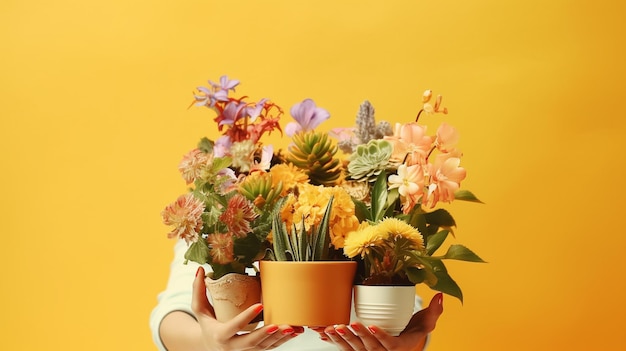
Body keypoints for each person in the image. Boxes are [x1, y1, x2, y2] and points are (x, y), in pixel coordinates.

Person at [150, 239, 444, 351]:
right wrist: (206, 341)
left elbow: (403, 306)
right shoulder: (217, 219)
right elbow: (171, 314)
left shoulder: (362, 226)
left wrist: (404, 341)